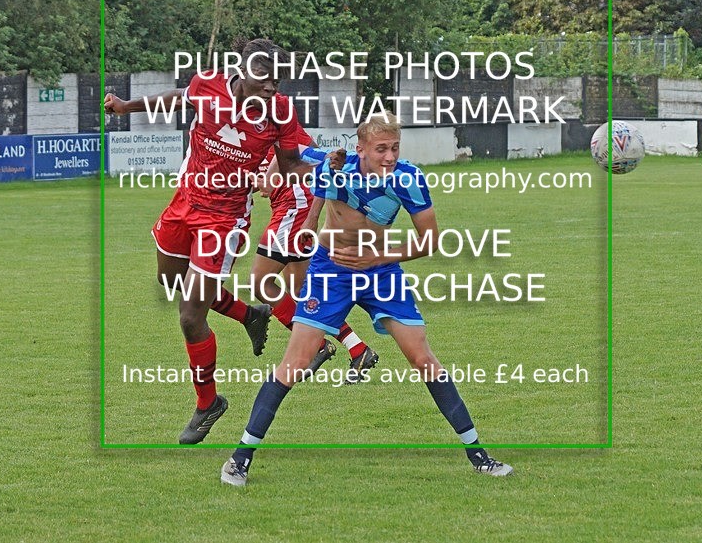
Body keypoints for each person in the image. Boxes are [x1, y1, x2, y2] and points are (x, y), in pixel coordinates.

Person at [220, 117, 513, 486]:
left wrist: (379, 258)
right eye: (381, 149)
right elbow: (288, 151)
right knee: (294, 363)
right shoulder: (334, 162)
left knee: (422, 358)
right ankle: (240, 458)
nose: (389, 156)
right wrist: (273, 181)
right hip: (331, 271)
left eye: (394, 148)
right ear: (361, 149)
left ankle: (478, 455)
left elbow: (430, 241)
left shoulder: (408, 179)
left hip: (381, 272)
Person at [104, 37, 331, 444]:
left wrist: (324, 165)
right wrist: (126, 107)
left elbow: (296, 158)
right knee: (170, 280)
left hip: (223, 220)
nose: (272, 88)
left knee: (191, 315)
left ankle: (207, 403)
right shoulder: (210, 85)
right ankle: (249, 315)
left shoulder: (279, 112)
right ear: (241, 72)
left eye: (278, 80)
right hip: (184, 202)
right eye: (264, 78)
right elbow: (178, 97)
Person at [249, 131, 379, 381]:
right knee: (302, 292)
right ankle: (358, 348)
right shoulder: (252, 127)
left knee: (259, 282)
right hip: (293, 207)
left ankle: (317, 345)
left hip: (293, 207)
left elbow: (316, 165)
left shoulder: (278, 121)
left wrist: (310, 214)